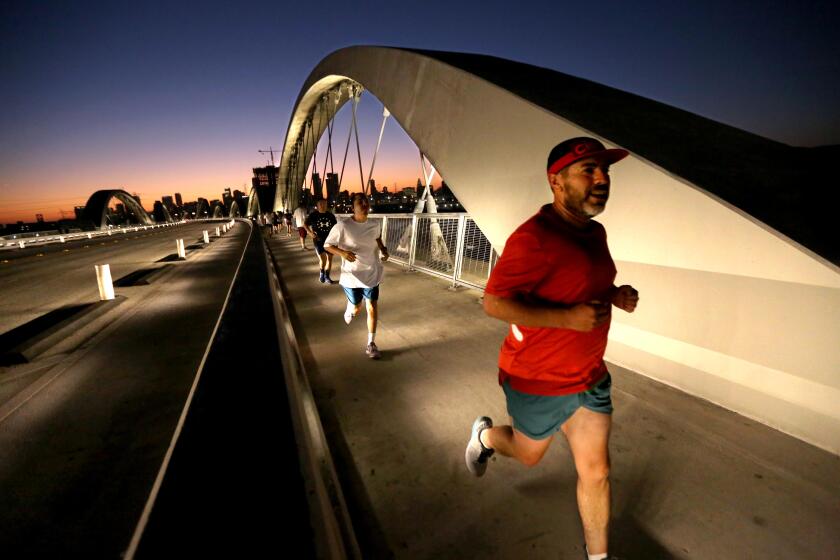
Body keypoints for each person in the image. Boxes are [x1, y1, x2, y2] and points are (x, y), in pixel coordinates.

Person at [464, 137, 639, 560]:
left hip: (589, 376)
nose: (602, 179)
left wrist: (614, 294)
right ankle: (484, 437)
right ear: (555, 182)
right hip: (537, 380)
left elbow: (582, 284)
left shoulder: (595, 232)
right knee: (527, 456)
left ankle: (598, 558)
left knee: (597, 472)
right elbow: (494, 301)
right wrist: (566, 319)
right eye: (589, 171)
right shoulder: (534, 237)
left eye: (606, 171)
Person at [324, 192, 389, 359]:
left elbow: (377, 238)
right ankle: (350, 309)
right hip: (351, 274)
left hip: (371, 271)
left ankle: (371, 344)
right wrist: (343, 253)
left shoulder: (374, 224)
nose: (365, 203)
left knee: (372, 307)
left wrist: (382, 249)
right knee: (356, 307)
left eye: (366, 200)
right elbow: (327, 245)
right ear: (352, 206)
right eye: (360, 201)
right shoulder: (343, 226)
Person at [305, 199, 338, 284]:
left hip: (330, 240)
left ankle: (327, 277)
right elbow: (305, 224)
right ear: (317, 205)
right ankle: (321, 273)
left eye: (324, 204)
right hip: (318, 240)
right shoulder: (313, 215)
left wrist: (337, 238)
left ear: (326, 205)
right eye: (321, 204)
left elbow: (336, 227)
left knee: (329, 259)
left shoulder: (331, 216)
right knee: (323, 259)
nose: (323, 205)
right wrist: (310, 233)